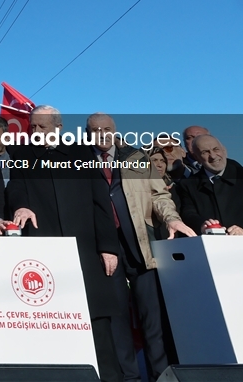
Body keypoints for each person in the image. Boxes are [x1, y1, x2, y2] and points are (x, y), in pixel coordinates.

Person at [7, 106, 123, 382]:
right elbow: (15, 190)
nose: (35, 132)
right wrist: (21, 206)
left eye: (42, 128)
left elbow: (100, 202)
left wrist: (107, 246)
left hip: (85, 252)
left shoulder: (82, 153)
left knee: (98, 330)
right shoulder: (22, 156)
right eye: (32, 127)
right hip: (45, 255)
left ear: (58, 128)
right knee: (55, 324)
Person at [86, 113, 196, 382]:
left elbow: (159, 194)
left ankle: (160, 375)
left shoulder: (136, 158)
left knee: (152, 318)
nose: (102, 134)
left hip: (139, 245)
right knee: (117, 319)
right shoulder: (80, 160)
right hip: (102, 249)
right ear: (88, 133)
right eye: (96, 130)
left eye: (107, 129)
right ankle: (129, 377)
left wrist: (172, 219)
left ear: (115, 131)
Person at [174, 134, 243, 236]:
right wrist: (202, 225)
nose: (213, 156)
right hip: (213, 249)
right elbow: (188, 214)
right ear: (197, 158)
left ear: (224, 150)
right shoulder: (188, 185)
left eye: (216, 149)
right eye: (205, 152)